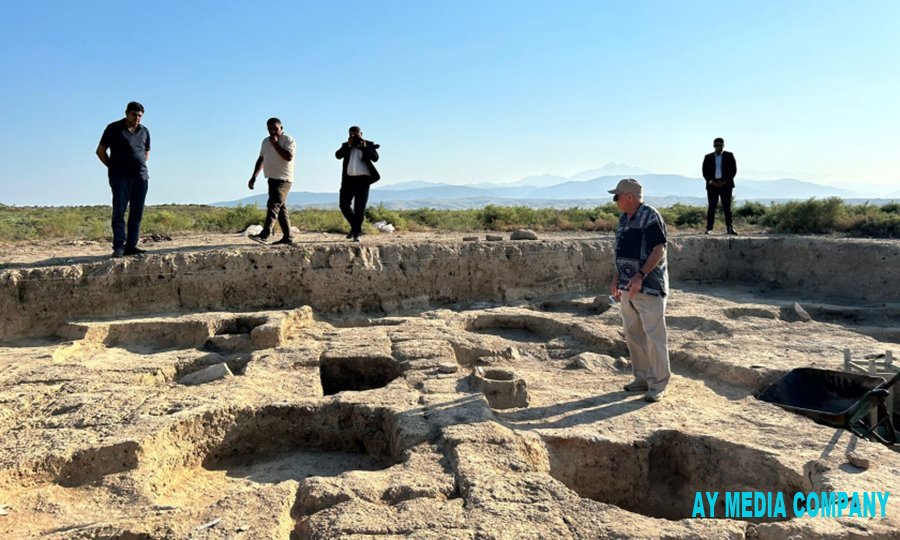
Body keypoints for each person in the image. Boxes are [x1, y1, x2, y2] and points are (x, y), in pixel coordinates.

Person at [608, 178, 671, 403]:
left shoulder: (650, 215)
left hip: (648, 286)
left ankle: (658, 384)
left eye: (617, 196)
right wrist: (617, 278)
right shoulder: (624, 219)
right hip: (627, 287)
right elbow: (621, 251)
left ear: (630, 197)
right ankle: (642, 378)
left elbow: (658, 249)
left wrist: (640, 275)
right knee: (633, 333)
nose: (615, 201)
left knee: (654, 336)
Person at [96, 101, 151, 258]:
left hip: (140, 177)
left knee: (137, 212)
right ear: (127, 113)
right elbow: (100, 151)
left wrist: (139, 163)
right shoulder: (113, 128)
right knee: (119, 211)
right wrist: (112, 167)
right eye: (134, 115)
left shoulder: (145, 131)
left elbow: (146, 152)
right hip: (120, 177)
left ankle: (131, 245)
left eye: (140, 116)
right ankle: (119, 246)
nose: (137, 118)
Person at [248, 117, 296, 245]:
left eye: (275, 128)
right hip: (271, 178)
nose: (272, 131)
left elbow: (288, 157)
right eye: (269, 129)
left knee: (273, 205)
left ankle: (264, 235)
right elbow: (261, 159)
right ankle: (288, 237)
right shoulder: (265, 141)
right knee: (280, 208)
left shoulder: (288, 140)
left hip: (283, 179)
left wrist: (275, 144)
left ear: (281, 128)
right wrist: (254, 176)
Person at [335, 126, 380, 242]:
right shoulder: (346, 145)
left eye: (356, 135)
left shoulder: (368, 144)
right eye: (352, 135)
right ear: (348, 135)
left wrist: (364, 147)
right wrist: (349, 145)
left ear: (361, 134)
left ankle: (356, 233)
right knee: (343, 205)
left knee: (359, 208)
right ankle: (355, 227)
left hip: (363, 181)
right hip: (348, 180)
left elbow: (375, 158)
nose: (354, 137)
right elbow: (338, 155)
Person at [701, 137, 738, 235]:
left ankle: (730, 228)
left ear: (723, 145)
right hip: (712, 185)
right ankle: (709, 229)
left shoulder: (729, 156)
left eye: (720, 145)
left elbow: (733, 170)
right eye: (717, 145)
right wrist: (712, 181)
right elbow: (705, 172)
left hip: (726, 185)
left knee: (727, 207)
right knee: (712, 207)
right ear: (713, 146)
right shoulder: (708, 157)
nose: (719, 147)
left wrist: (725, 181)